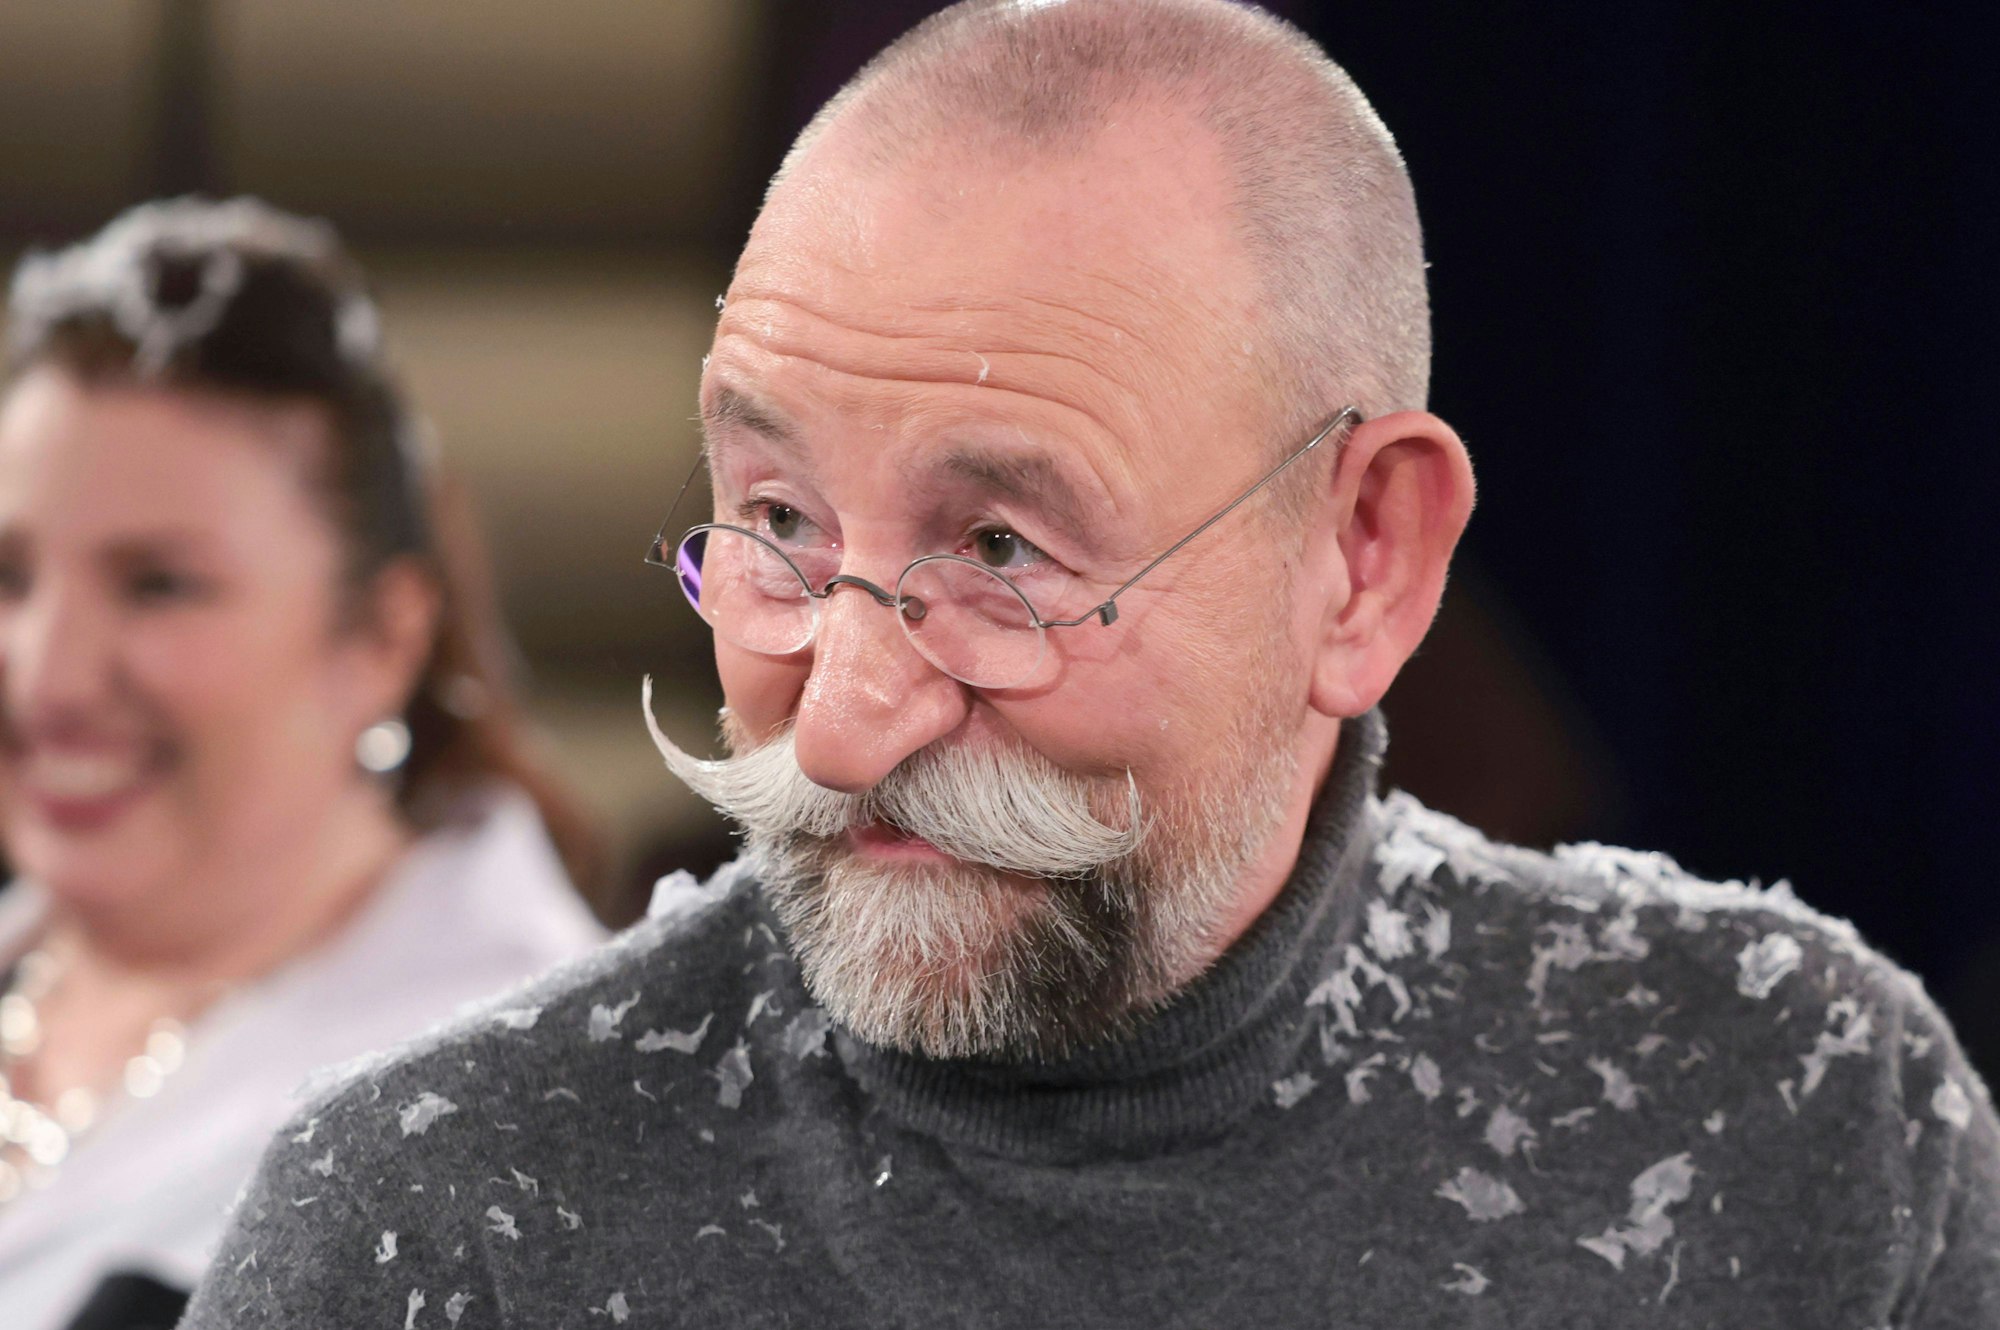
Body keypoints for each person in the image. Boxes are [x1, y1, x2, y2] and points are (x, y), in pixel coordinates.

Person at [183, 3, 2000, 1325]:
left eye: (999, 552)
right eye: (780, 525)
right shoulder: (433, 1234)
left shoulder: (1793, 1122)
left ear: (1366, 559)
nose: (844, 720)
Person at [0, 198, 607, 1330]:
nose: (49, 676)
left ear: (380, 639)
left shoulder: (523, 1130)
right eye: (12, 576)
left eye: (158, 584)